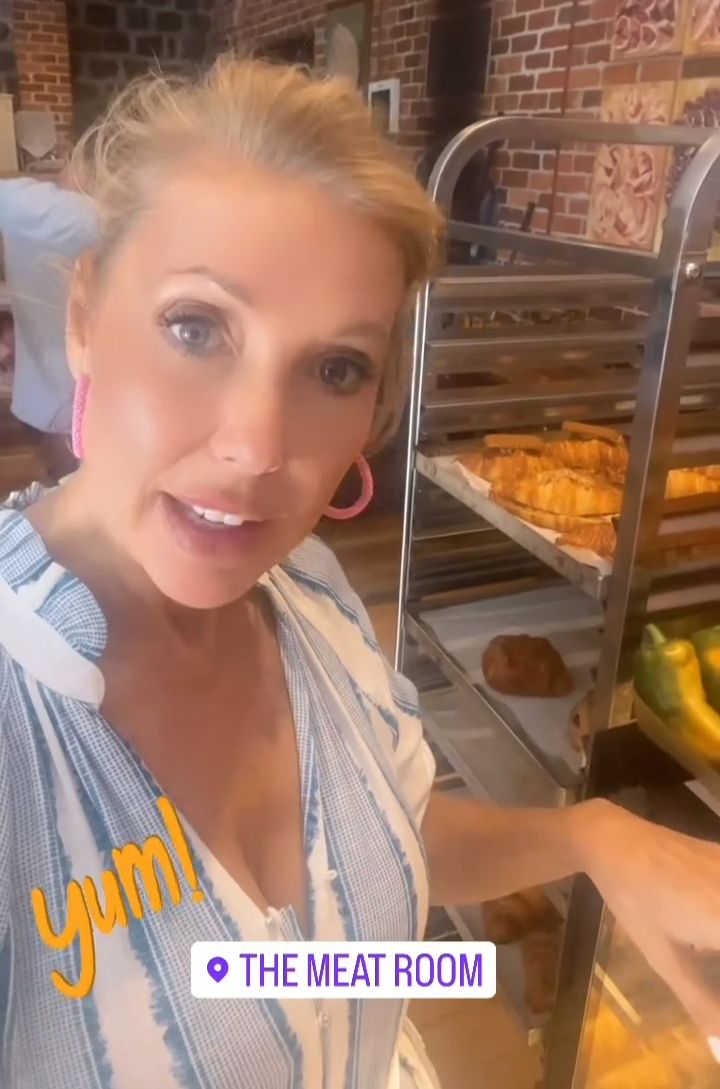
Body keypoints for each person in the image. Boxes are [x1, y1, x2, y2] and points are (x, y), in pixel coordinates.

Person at [0, 57, 719, 1089]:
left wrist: (590, 838)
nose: (257, 445)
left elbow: (365, 852)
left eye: (335, 369)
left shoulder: (311, 593)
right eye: (196, 327)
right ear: (82, 319)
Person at [0, 172, 97, 480]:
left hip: (37, 403)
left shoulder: (20, 202)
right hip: (92, 402)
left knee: (65, 490)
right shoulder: (124, 218)